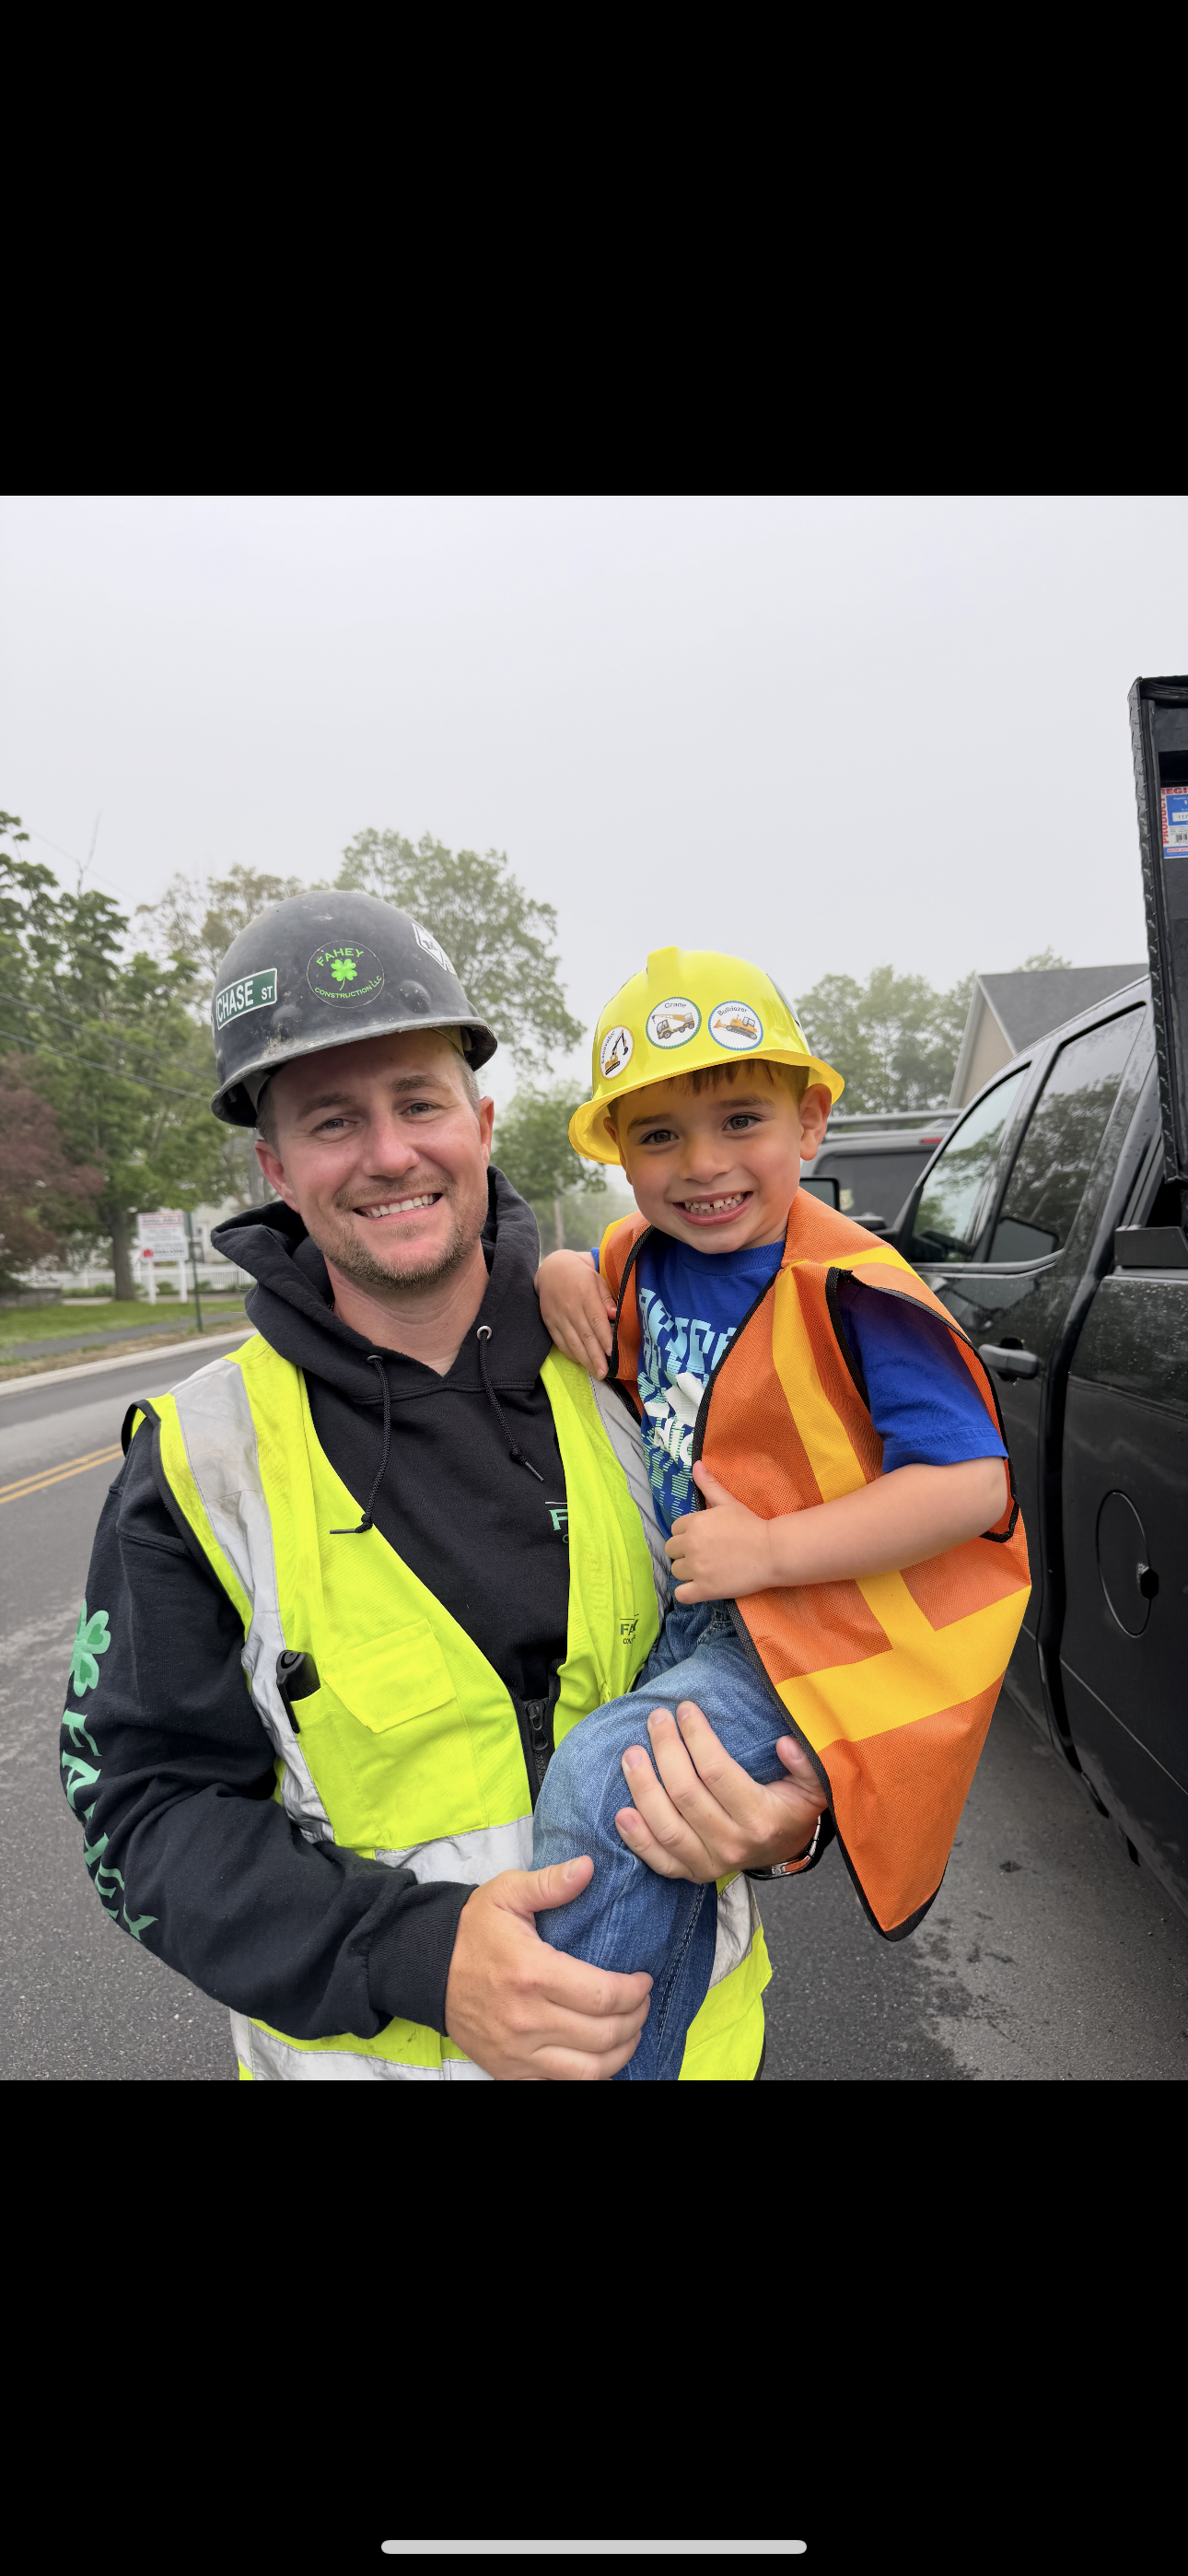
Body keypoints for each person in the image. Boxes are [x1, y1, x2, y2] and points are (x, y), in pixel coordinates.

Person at [60, 894, 817, 2081]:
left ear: (482, 1119)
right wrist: (418, 1958)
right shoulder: (200, 1460)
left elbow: (802, 1631)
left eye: (419, 1103)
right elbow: (146, 1814)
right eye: (331, 1121)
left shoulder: (637, 1366)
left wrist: (791, 1816)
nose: (390, 1153)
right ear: (274, 1166)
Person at [530, 944, 1032, 2078]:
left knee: (611, 1784)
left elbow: (973, 1486)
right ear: (621, 1155)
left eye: (739, 1120)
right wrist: (554, 1266)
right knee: (642, 1830)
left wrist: (771, 1549)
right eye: (657, 1135)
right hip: (701, 1603)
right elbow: (586, 1295)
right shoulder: (637, 1257)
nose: (702, 1166)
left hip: (804, 1625)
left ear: (810, 1125)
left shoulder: (853, 1284)